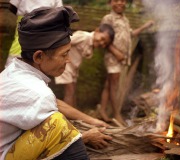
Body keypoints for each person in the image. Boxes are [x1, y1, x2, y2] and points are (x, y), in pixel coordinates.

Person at [0, 6, 112, 160]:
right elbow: (56, 129)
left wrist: (92, 121)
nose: (68, 60)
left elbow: (55, 102)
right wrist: (83, 136)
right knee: (57, 124)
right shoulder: (38, 94)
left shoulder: (13, 70)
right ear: (39, 57)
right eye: (64, 54)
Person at [99, 0, 154, 125]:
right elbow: (103, 39)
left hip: (121, 58)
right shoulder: (108, 18)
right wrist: (116, 53)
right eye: (116, 0)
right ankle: (116, 113)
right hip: (113, 57)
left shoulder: (125, 19)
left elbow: (131, 34)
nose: (120, 3)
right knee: (114, 86)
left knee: (109, 84)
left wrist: (145, 26)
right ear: (110, 3)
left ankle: (102, 110)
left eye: (122, 0)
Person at [55, 24, 115, 106]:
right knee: (70, 91)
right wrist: (60, 58)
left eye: (105, 43)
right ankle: (67, 116)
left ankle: (72, 115)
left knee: (72, 92)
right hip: (65, 65)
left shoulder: (91, 45)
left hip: (73, 70)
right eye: (102, 38)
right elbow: (64, 42)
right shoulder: (83, 36)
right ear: (97, 31)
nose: (102, 43)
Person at [5, 0, 63, 66]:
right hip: (45, 20)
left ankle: (11, 68)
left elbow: (12, 7)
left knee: (19, 45)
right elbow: (59, 11)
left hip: (25, 18)